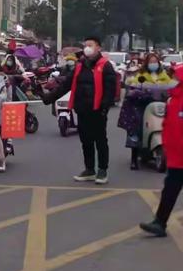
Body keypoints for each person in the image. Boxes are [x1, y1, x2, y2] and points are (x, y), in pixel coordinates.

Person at [42, 37, 117, 184]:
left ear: (98, 48)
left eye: (90, 45)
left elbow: (110, 90)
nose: (87, 47)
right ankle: (89, 170)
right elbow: (66, 85)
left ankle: (102, 171)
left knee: (100, 141)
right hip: (82, 109)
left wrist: (104, 107)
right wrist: (49, 98)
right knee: (86, 141)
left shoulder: (105, 66)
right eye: (85, 45)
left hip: (98, 110)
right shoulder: (79, 65)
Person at [140, 64, 183, 237]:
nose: (172, 79)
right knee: (170, 189)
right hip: (175, 155)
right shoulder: (173, 98)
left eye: (176, 76)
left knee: (171, 187)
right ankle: (160, 222)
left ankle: (160, 222)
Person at [119, 53, 174, 170]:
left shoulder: (164, 76)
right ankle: (134, 160)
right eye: (151, 62)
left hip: (160, 107)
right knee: (136, 128)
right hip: (142, 106)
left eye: (155, 61)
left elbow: (172, 89)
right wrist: (141, 91)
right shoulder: (142, 75)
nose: (153, 64)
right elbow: (134, 86)